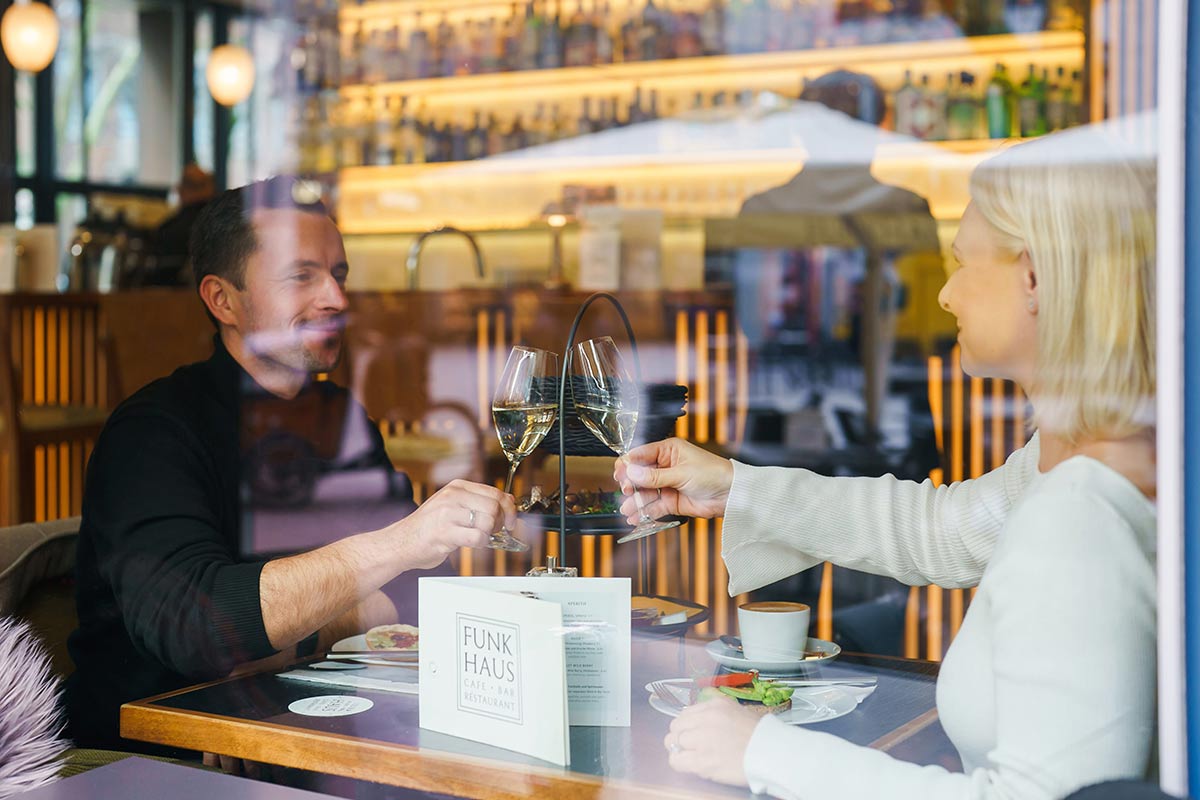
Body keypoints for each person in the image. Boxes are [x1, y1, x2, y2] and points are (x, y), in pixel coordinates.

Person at [615, 139, 1157, 799]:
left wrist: (766, 755)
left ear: (1034, 276)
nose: (947, 294)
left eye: (960, 264)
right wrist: (736, 487)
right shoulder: (1090, 459)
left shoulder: (1080, 515)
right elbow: (949, 528)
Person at [63, 176, 515, 752]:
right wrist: (394, 549)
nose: (336, 298)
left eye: (339, 275)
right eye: (302, 276)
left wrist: (308, 624)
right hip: (159, 756)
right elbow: (198, 629)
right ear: (222, 299)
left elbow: (421, 593)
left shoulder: (336, 414)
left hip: (316, 726)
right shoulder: (153, 433)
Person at [144, 163, 216, 287]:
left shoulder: (169, 230)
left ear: (180, 190)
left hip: (173, 300)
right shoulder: (224, 226)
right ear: (209, 189)